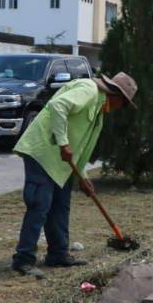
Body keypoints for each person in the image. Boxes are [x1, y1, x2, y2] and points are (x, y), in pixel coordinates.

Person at [11, 71, 137, 277]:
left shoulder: (98, 112)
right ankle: (23, 260)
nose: (119, 109)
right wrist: (63, 142)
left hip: (60, 163)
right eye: (123, 104)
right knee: (39, 205)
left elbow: (79, 150)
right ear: (116, 96)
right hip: (43, 153)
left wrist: (84, 178)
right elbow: (57, 106)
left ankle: (58, 255)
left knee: (61, 207)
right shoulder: (88, 90)